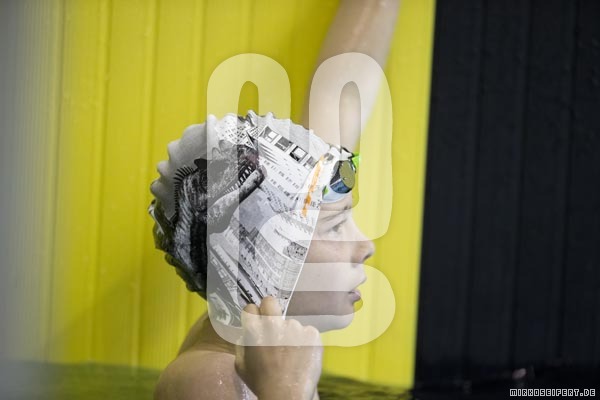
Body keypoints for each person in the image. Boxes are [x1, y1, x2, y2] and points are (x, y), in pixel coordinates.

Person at [152, 1, 399, 399]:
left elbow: (340, 99)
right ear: (261, 255)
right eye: (336, 225)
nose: (365, 246)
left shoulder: (243, 328)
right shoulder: (207, 378)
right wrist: (286, 387)